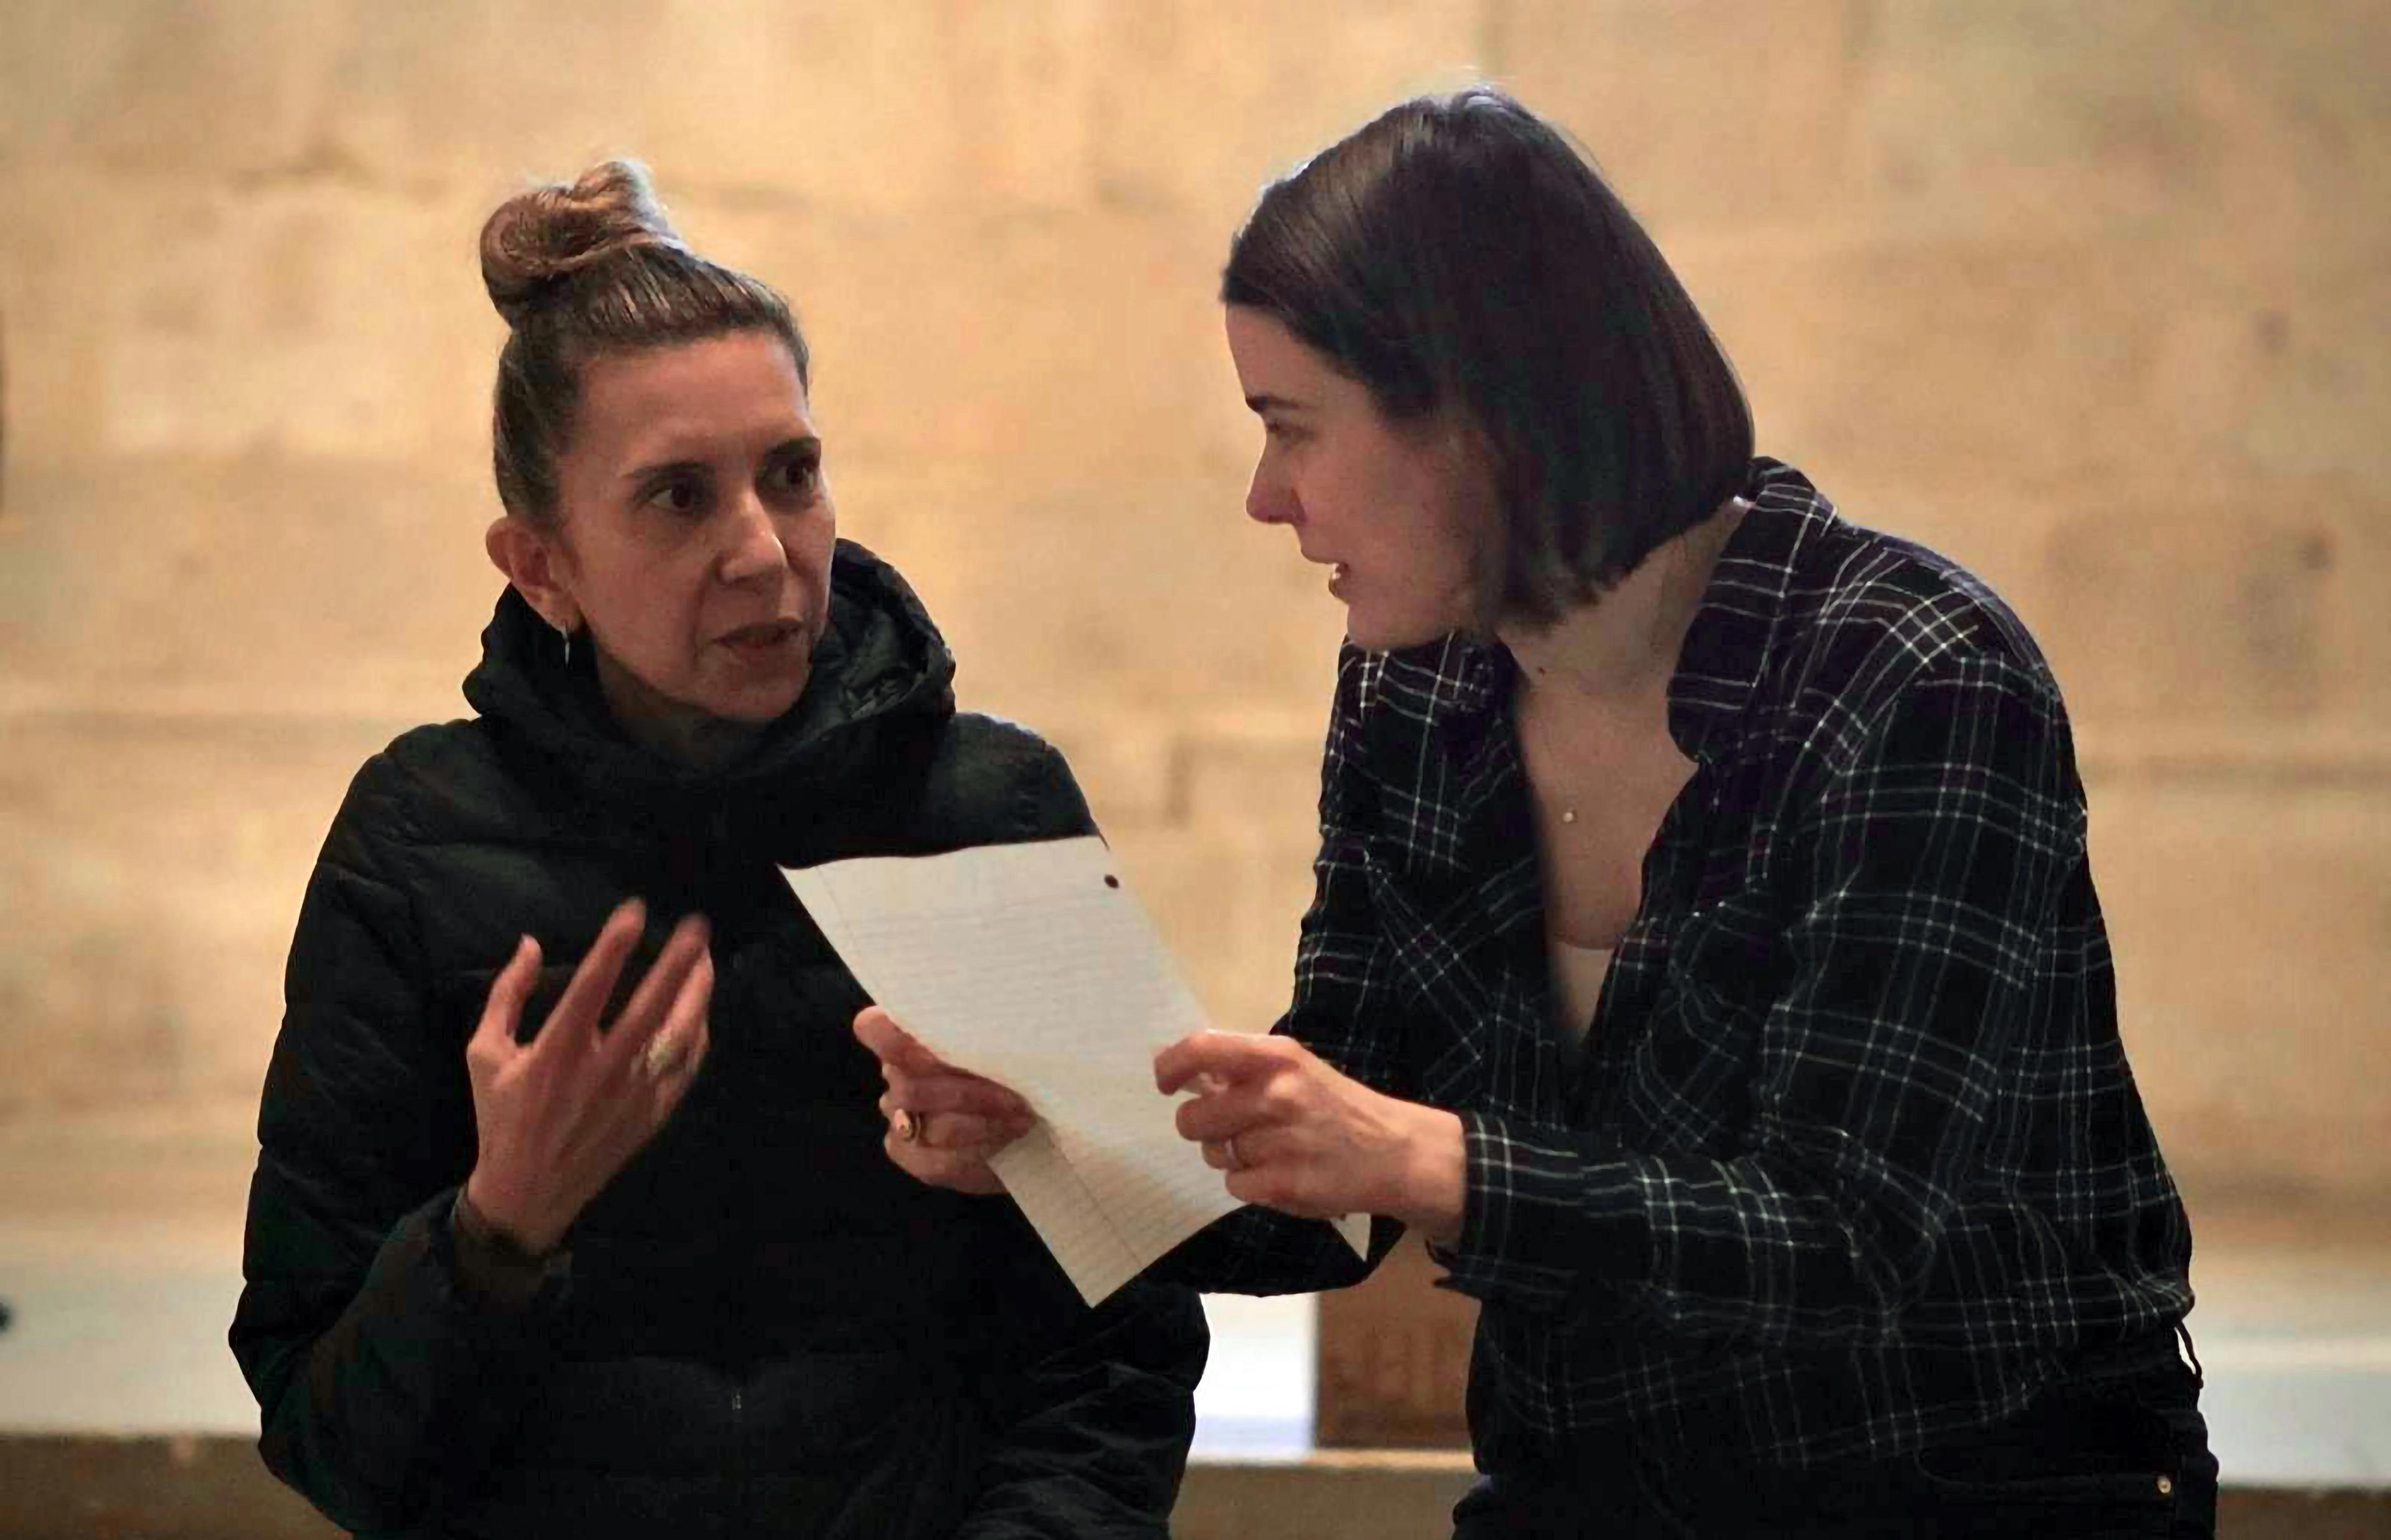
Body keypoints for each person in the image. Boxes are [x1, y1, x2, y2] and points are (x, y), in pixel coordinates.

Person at [860, 90, 2214, 1536]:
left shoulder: (1916, 678)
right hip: (1589, 1487)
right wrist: (1057, 1145)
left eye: (1292, 428)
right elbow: (1346, 1148)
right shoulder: (1415, 690)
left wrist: (1416, 1153)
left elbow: (1847, 1240)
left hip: (1969, 1488)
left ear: (1482, 421)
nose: (1267, 498)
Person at [229, 161, 1206, 1540]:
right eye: (678, 497)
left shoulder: (987, 806)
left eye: (792, 473)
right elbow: (327, 1438)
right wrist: (494, 1234)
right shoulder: (416, 840)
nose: (763, 548)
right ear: (539, 562)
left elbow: (1120, 1347)